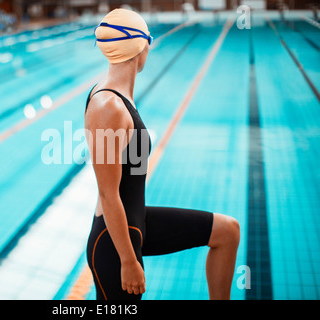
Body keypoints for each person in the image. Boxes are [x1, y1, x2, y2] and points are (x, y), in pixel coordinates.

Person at [84, 8, 240, 300]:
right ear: (141, 47)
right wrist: (129, 262)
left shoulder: (117, 96)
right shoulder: (109, 107)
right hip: (115, 244)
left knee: (227, 231)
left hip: (136, 223)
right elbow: (108, 194)